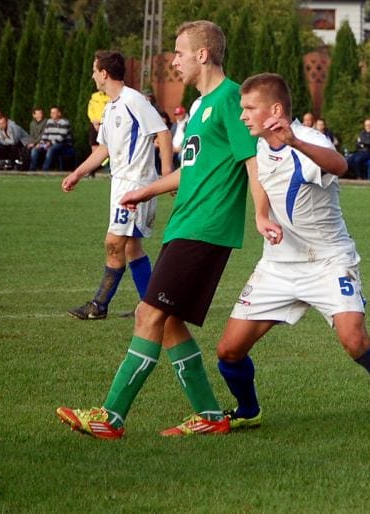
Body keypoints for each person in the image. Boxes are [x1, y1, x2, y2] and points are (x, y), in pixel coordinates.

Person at [56, 20, 275, 438]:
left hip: (206, 228)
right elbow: (191, 172)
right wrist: (145, 190)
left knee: (148, 312)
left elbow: (252, 162)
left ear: (203, 55)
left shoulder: (230, 98)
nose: (174, 61)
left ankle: (110, 417)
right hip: (185, 221)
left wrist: (261, 213)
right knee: (169, 320)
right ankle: (210, 417)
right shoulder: (199, 107)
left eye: (179, 52)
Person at [216, 72, 370, 448]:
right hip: (278, 265)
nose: (242, 116)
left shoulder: (308, 140)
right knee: (229, 351)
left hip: (329, 262)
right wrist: (261, 215)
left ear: (276, 110)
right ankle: (248, 411)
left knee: (354, 340)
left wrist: (295, 141)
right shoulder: (261, 144)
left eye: (249, 108)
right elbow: (263, 180)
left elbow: (340, 165)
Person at [61, 50, 173, 321]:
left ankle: (99, 305)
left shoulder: (133, 100)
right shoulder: (110, 107)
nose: (92, 75)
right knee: (131, 246)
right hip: (119, 184)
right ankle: (151, 306)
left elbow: (163, 132)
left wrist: (168, 174)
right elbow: (104, 149)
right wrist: (77, 173)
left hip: (136, 185)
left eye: (94, 69)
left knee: (113, 243)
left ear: (104, 73)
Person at [29, 106, 73, 171]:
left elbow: (61, 138)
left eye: (54, 113)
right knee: (35, 149)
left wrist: (50, 143)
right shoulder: (49, 122)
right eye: (51, 113)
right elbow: (45, 135)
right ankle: (32, 169)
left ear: (59, 113)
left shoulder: (64, 122)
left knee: (51, 149)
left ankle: (45, 169)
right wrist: (40, 143)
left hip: (62, 144)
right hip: (48, 143)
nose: (52, 114)